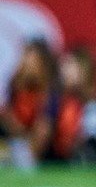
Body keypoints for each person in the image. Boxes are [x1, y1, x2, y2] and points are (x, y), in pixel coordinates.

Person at [0, 40, 58, 170]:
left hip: (36, 150)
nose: (28, 64)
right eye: (26, 57)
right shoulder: (14, 87)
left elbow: (43, 130)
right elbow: (8, 120)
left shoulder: (48, 93)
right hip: (13, 141)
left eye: (33, 60)